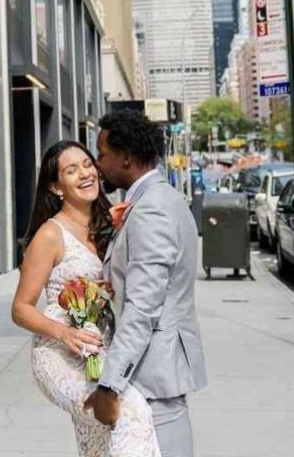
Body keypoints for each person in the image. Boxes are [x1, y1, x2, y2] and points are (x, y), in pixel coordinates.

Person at [11, 140, 162, 456]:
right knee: (128, 411)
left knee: (97, 446)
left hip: (102, 351)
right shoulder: (50, 235)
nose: (84, 173)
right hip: (58, 355)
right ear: (56, 187)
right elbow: (20, 309)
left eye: (87, 164)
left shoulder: (112, 221)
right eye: (71, 170)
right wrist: (65, 333)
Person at [85, 110, 208, 457]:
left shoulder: (152, 209)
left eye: (103, 154)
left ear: (126, 156)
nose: (98, 164)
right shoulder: (154, 200)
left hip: (155, 376)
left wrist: (109, 385)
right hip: (154, 371)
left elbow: (143, 306)